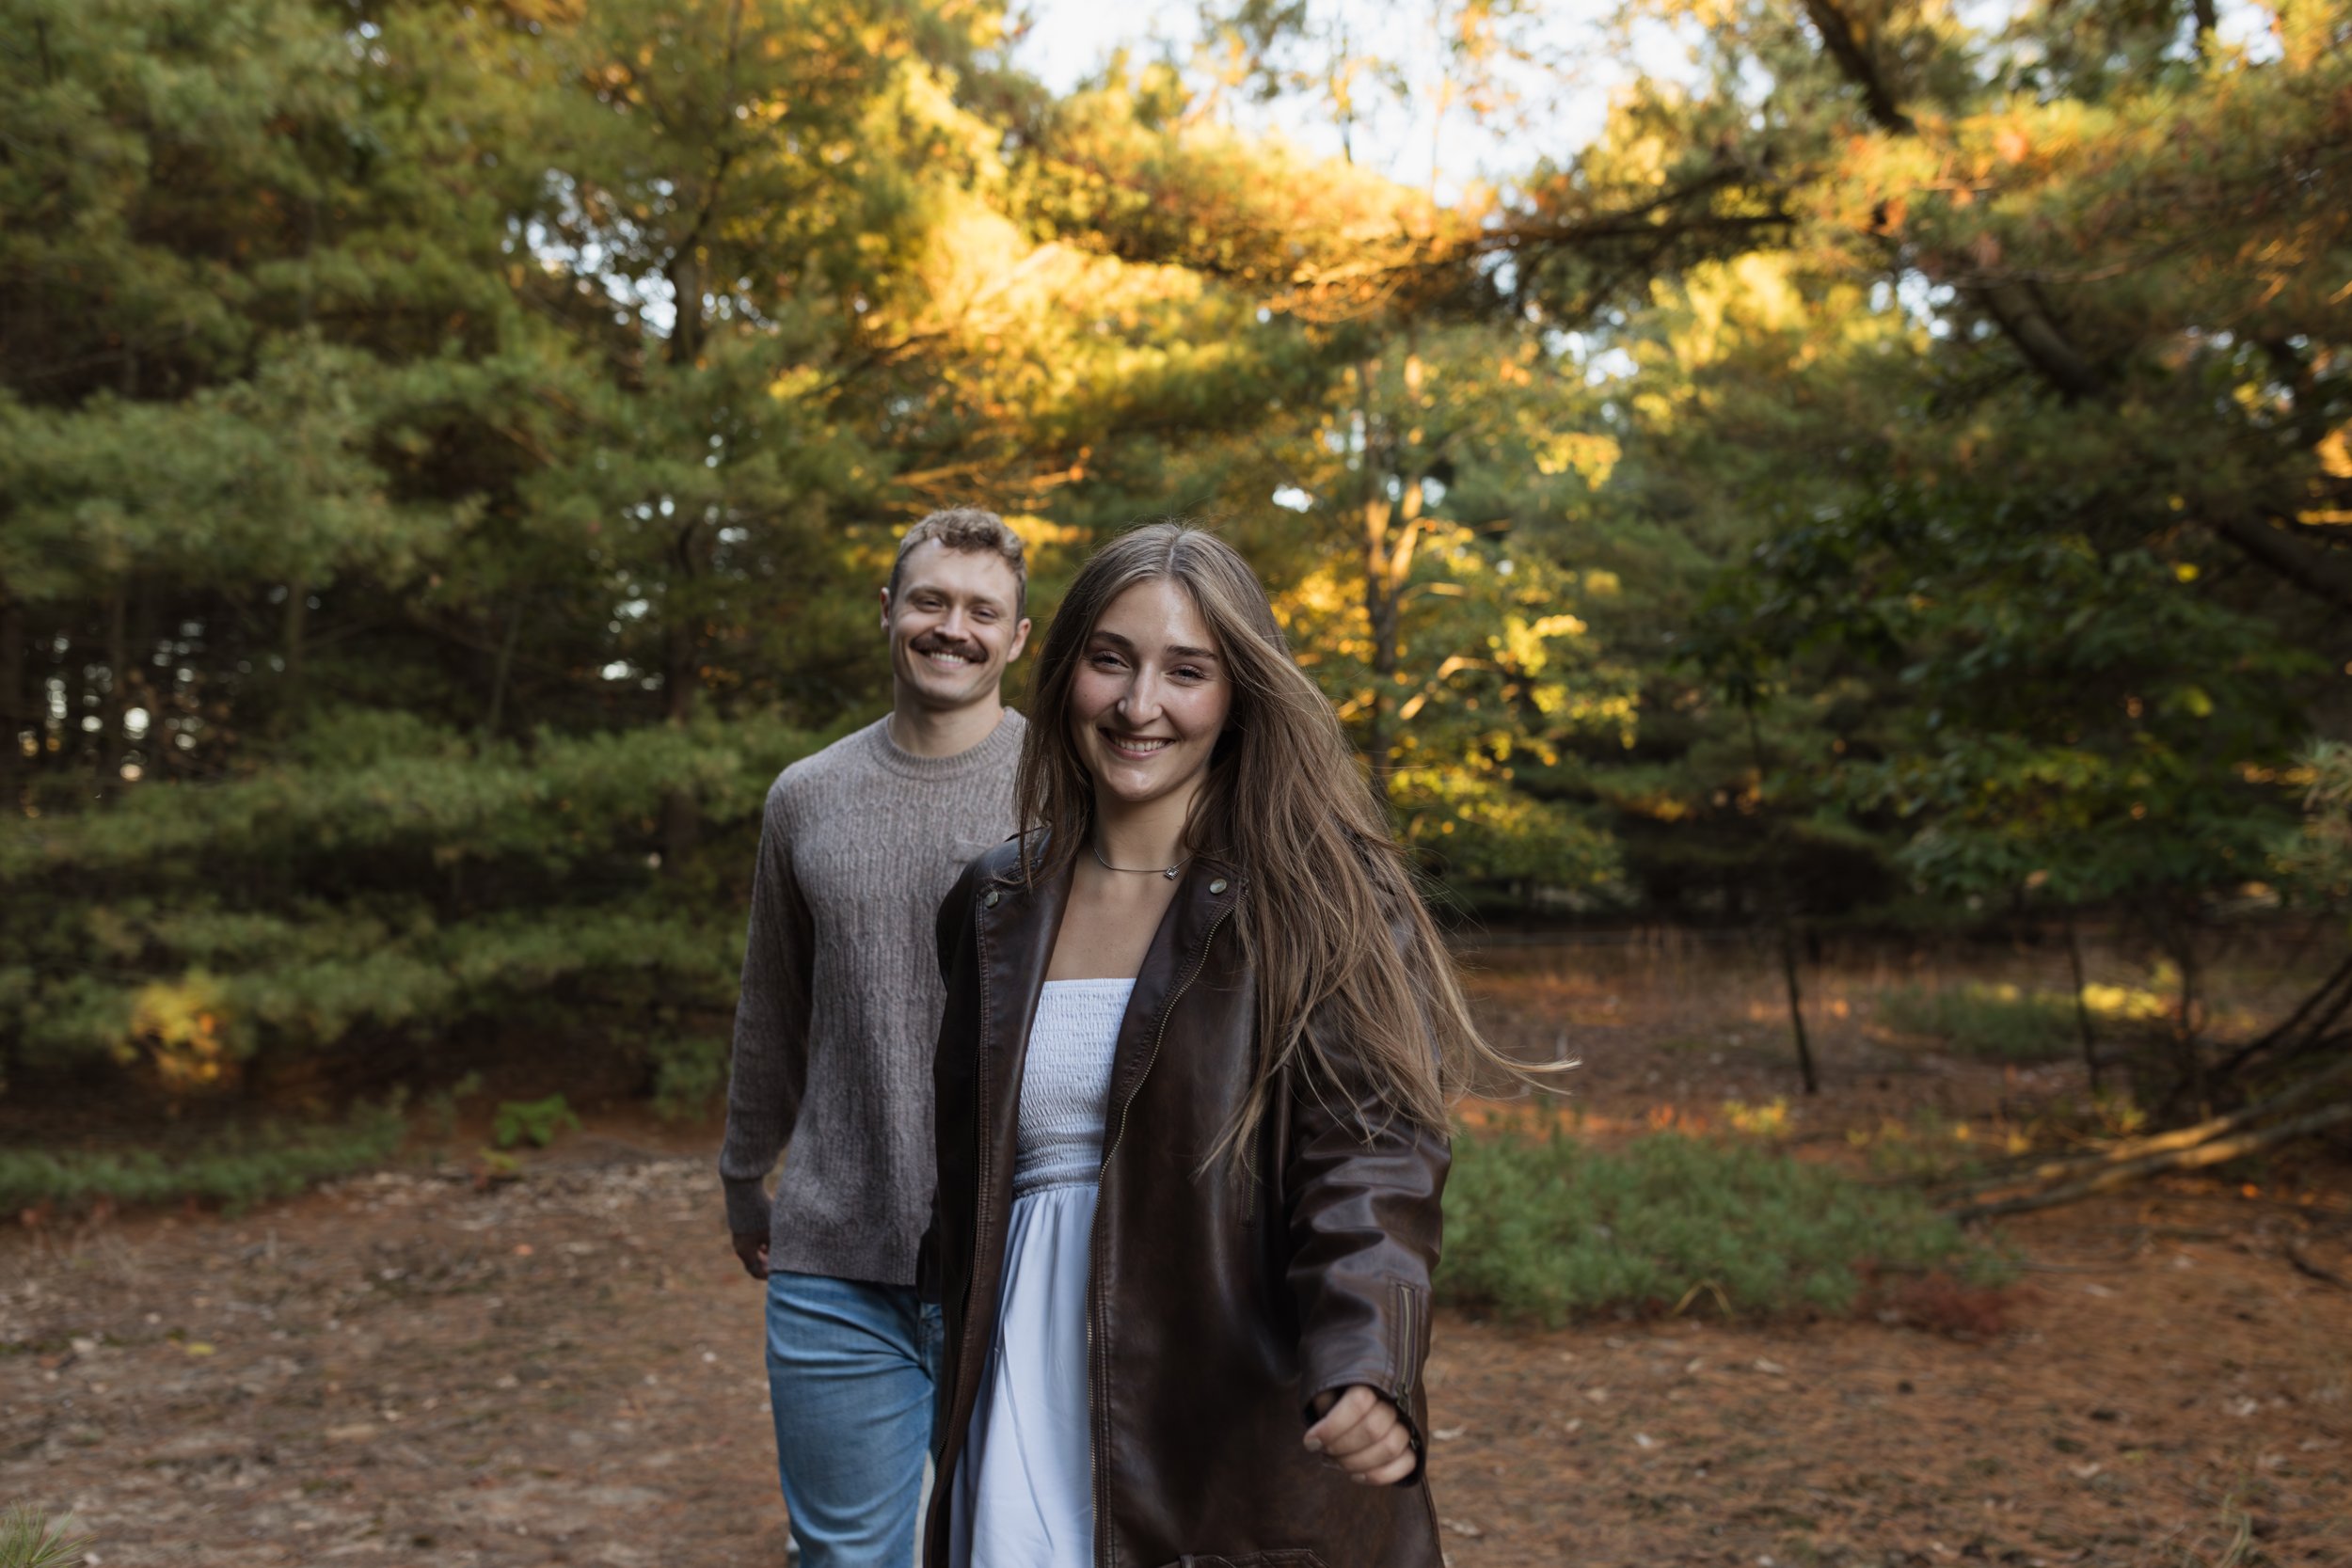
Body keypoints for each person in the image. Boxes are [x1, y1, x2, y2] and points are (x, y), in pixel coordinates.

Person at [923, 522, 1510, 1568]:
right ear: (1063, 673)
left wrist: (1367, 1353)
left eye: (1185, 671)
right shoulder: (993, 903)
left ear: (1236, 693)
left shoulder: (1319, 901)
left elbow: (1371, 1155)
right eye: (1111, 659)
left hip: (1221, 1412)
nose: (1139, 704)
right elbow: (964, 1177)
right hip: (1014, 1382)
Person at [721, 507, 1033, 1568]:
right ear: (888, 612)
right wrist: (739, 1172)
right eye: (932, 600)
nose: (953, 627)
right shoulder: (806, 795)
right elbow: (774, 1001)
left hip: (1015, 1251)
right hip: (835, 1251)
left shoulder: (1067, 788)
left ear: (1018, 640)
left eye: (982, 611)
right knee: (847, 1557)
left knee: (1017, 1546)